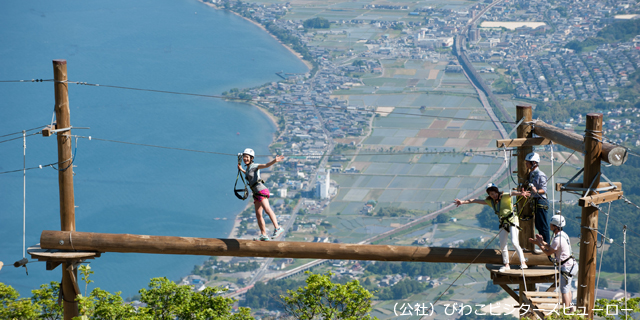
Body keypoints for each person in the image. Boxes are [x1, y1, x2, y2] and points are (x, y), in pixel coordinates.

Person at [454, 183, 530, 272]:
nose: (494, 195)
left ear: (497, 191)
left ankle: (523, 263)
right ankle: (506, 264)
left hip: (513, 221)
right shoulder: (491, 202)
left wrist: (520, 193)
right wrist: (462, 202)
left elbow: (512, 193)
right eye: (491, 194)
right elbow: (475, 200)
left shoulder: (504, 196)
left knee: (514, 242)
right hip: (503, 223)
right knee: (503, 244)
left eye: (494, 193)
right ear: (489, 195)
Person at [529, 215, 576, 309]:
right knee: (567, 288)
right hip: (571, 265)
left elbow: (548, 252)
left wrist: (538, 244)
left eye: (551, 224)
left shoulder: (558, 239)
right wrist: (542, 242)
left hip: (566, 267)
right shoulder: (563, 235)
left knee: (564, 291)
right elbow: (552, 248)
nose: (549, 225)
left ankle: (566, 312)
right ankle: (570, 308)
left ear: (555, 226)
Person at [238, 148, 285, 241]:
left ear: (251, 158)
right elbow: (249, 175)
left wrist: (274, 161)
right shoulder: (247, 169)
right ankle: (264, 234)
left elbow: (266, 165)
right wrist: (241, 169)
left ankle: (277, 227)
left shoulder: (255, 166)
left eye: (247, 157)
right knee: (258, 215)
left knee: (267, 209)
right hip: (256, 193)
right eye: (244, 157)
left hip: (261, 191)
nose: (245, 159)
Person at [526, 152, 550, 253]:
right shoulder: (532, 174)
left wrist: (536, 191)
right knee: (538, 225)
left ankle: (547, 246)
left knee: (543, 225)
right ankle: (542, 244)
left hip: (541, 201)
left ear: (534, 163)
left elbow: (544, 190)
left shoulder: (540, 175)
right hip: (536, 201)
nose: (526, 164)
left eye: (528, 163)